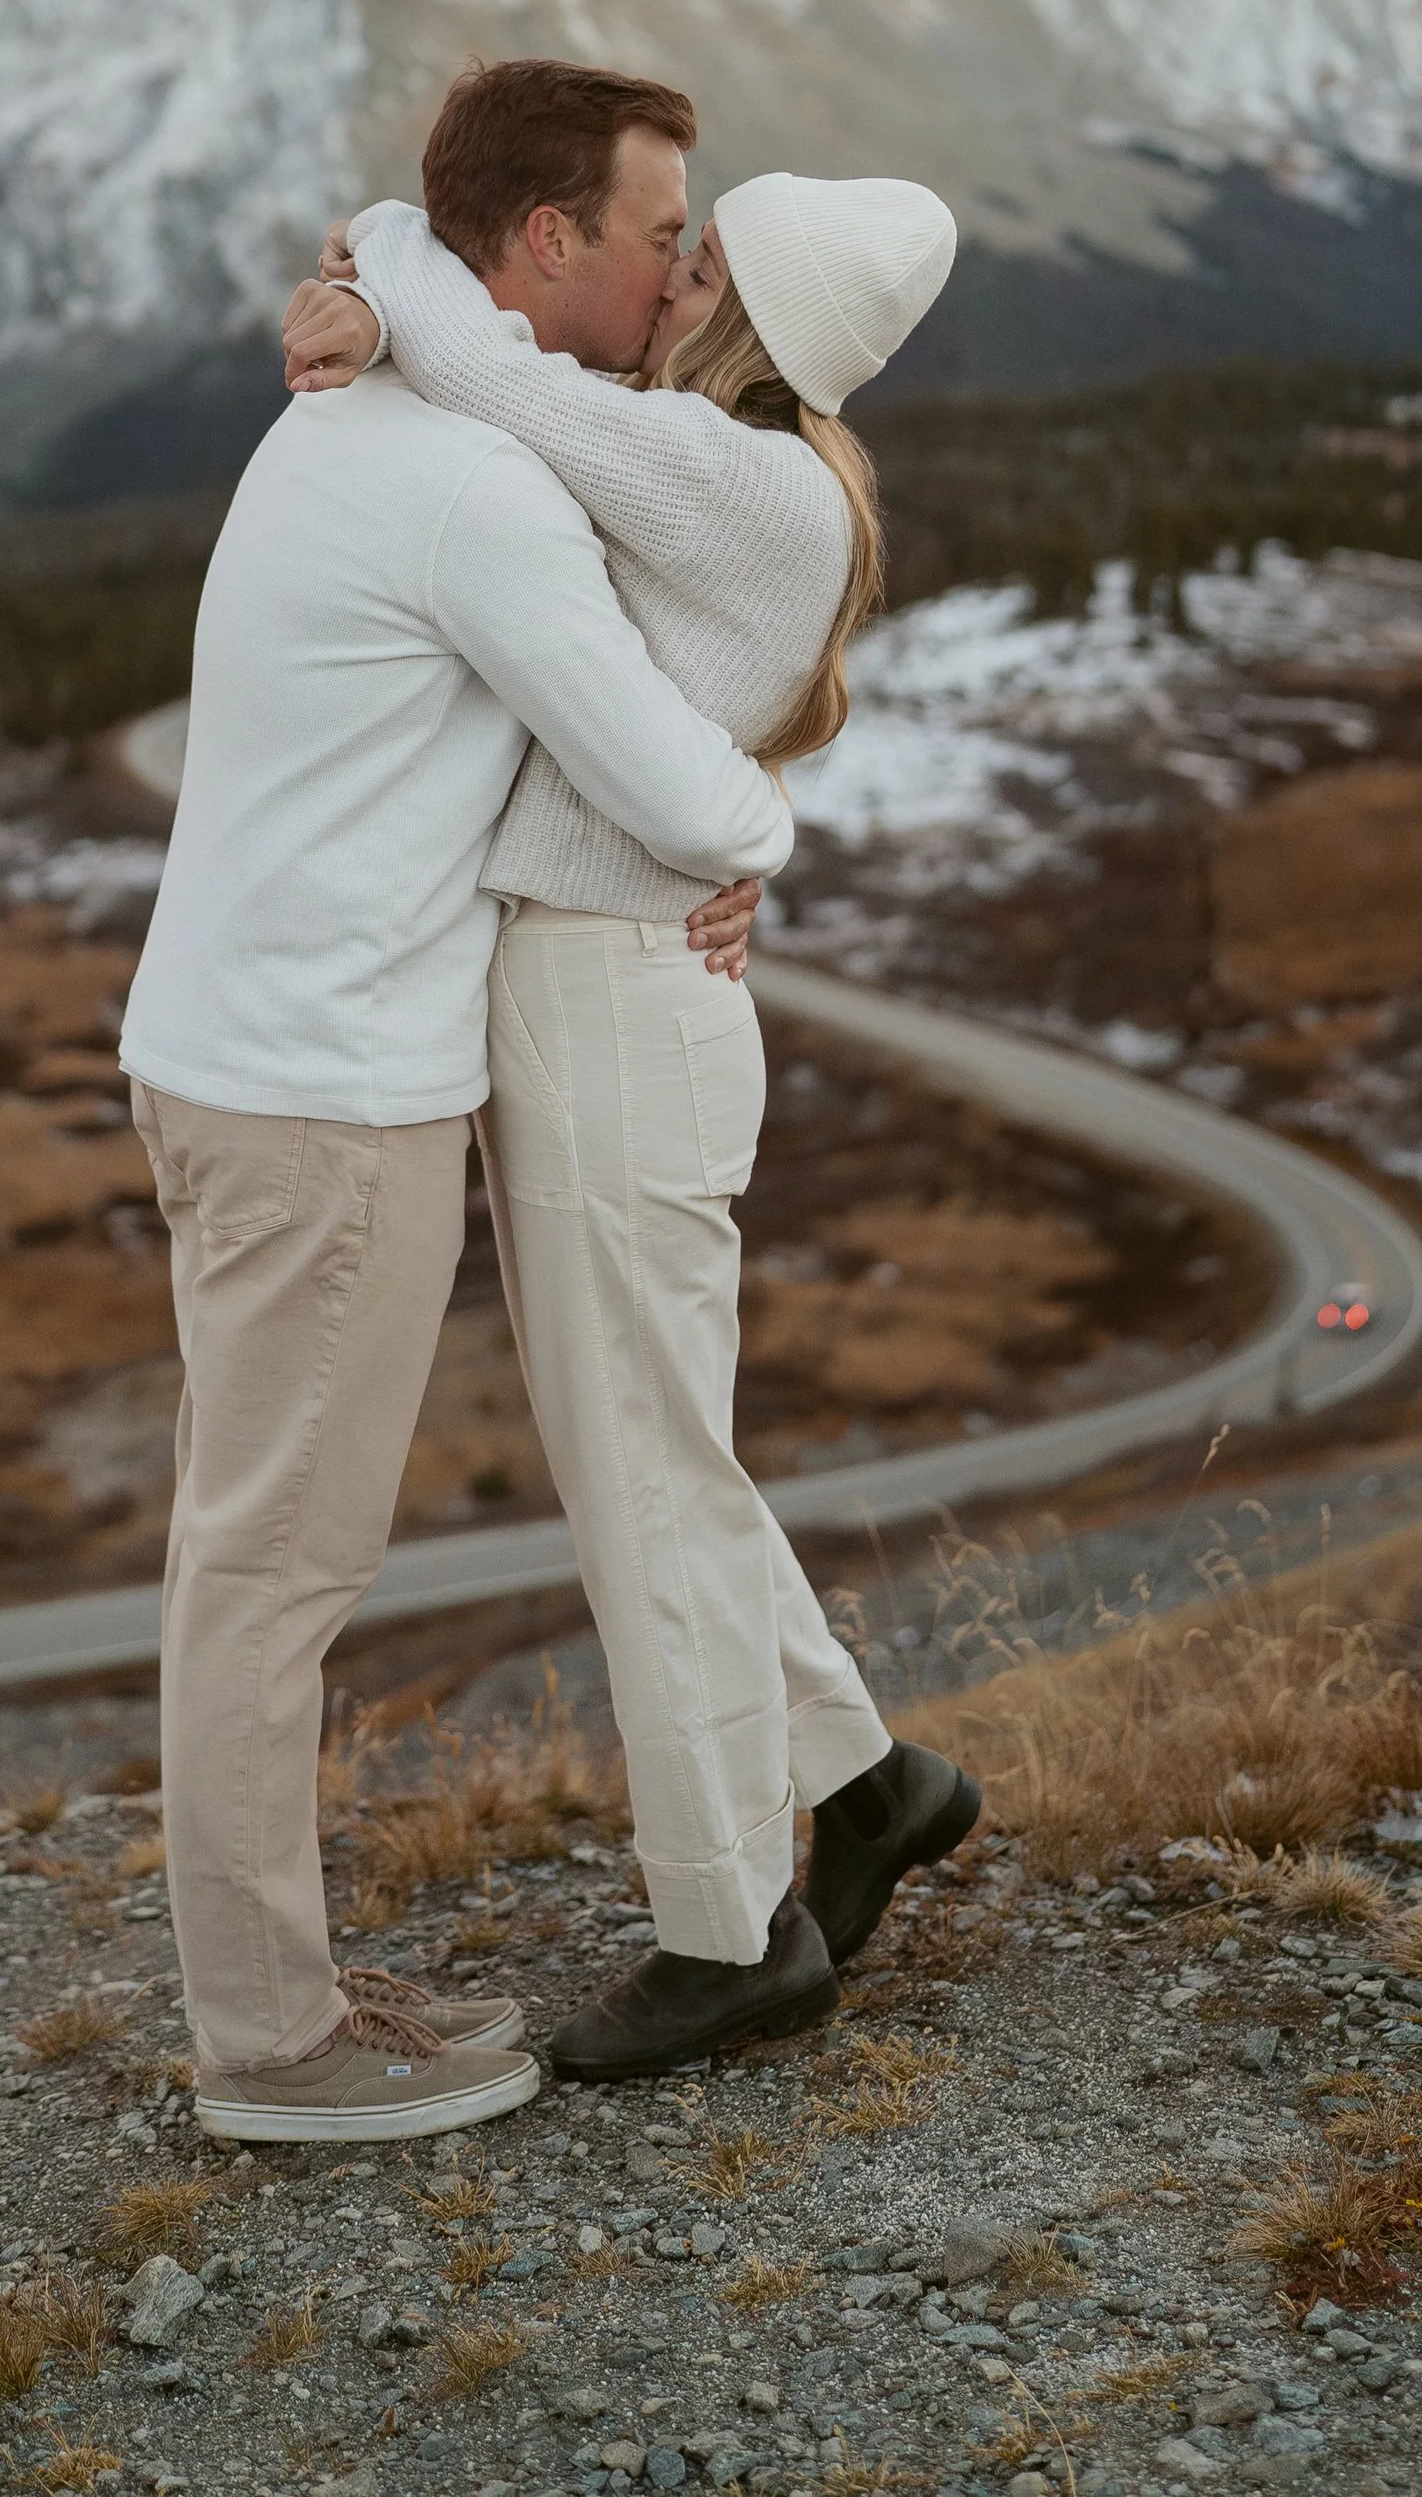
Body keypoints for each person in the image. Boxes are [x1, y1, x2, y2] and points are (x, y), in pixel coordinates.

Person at [119, 58, 792, 2147]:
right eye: (659, 226)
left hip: (250, 1055)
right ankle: (270, 2050)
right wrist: (746, 839)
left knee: (263, 1549)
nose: (689, 261)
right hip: (324, 1095)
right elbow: (661, 772)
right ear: (542, 245)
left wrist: (381, 273)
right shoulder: (471, 490)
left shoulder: (357, 416)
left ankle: (282, 1989)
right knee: (272, 1570)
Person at [280, 146, 982, 2080]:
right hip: (601, 993)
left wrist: (389, 251)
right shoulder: (742, 471)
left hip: (612, 1010)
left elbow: (505, 379)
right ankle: (866, 1782)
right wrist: (377, 270)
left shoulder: (746, 472)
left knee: (641, 1486)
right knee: (665, 1453)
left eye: (699, 264)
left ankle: (726, 1929)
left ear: (759, 315)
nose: (661, 280)